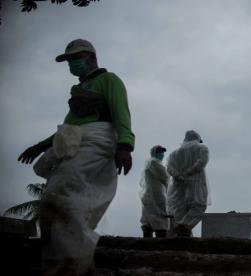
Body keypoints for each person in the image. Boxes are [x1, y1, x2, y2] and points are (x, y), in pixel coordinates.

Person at [17, 39, 135, 275]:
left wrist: (125, 145)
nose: (72, 64)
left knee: (64, 193)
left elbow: (121, 112)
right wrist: (40, 146)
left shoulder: (109, 80)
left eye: (76, 58)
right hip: (76, 143)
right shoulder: (80, 90)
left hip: (96, 143)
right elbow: (70, 126)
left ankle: (70, 265)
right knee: (57, 197)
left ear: (91, 58)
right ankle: (68, 261)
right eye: (69, 61)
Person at [167, 130, 210, 237]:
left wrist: (178, 175)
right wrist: (189, 172)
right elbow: (202, 162)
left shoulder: (174, 154)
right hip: (196, 183)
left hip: (178, 185)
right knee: (199, 206)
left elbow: (169, 168)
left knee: (180, 210)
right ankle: (184, 227)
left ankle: (182, 232)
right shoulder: (202, 148)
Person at [140, 145, 169, 238]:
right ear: (154, 152)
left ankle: (147, 239)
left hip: (149, 194)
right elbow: (165, 177)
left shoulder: (149, 162)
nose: (162, 154)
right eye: (160, 151)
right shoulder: (154, 162)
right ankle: (160, 241)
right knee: (160, 216)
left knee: (148, 217)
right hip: (156, 194)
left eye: (162, 152)